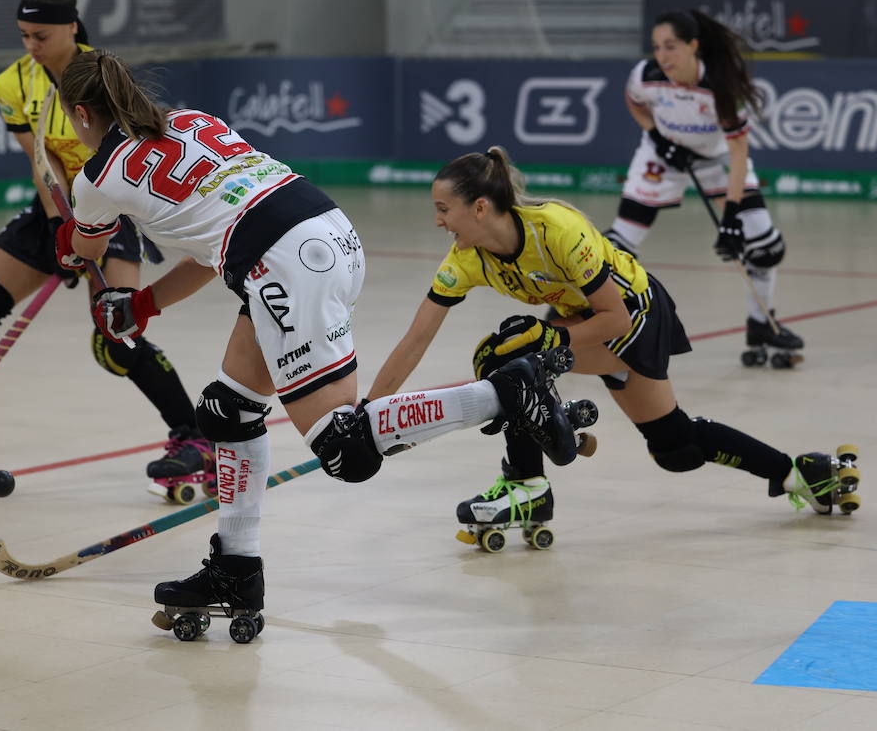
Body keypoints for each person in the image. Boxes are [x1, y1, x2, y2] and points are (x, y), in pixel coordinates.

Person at [54, 50, 580, 632]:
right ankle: (235, 569)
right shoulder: (191, 121)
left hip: (282, 264)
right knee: (228, 412)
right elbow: (212, 249)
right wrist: (144, 304)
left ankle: (507, 392)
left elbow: (88, 248)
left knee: (345, 449)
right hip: (322, 234)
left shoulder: (96, 177)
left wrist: (69, 246)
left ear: (81, 114)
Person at [366, 147, 856, 543]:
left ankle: (526, 484)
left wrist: (548, 342)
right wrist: (367, 414)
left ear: (479, 207)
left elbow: (615, 315)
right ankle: (801, 474)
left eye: (443, 209)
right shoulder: (466, 258)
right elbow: (417, 337)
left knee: (516, 361)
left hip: (635, 315)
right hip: (581, 318)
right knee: (673, 444)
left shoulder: (556, 230)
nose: (438, 221)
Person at [0, 0, 205, 496]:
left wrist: (90, 235)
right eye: (25, 35)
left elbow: (136, 150)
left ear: (72, 26)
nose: (32, 45)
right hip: (59, 206)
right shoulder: (13, 83)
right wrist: (60, 231)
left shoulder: (102, 74)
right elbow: (41, 163)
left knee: (116, 329)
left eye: (42, 35)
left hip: (115, 203)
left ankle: (194, 439)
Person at [602, 9, 803, 364]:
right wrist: (655, 135)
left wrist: (731, 218)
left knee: (765, 248)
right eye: (656, 47)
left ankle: (761, 324)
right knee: (617, 247)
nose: (662, 56)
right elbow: (634, 102)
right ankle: (579, 324)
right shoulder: (646, 75)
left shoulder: (720, 85)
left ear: (694, 46)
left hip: (717, 162)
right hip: (662, 157)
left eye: (671, 47)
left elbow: (740, 151)